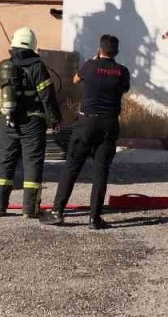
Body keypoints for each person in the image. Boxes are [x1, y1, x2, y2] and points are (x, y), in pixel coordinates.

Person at [41, 34, 130, 230]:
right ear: (116, 52)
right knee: (100, 172)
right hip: (109, 124)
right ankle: (95, 218)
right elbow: (123, 89)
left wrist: (94, 60)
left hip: (87, 122)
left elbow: (75, 79)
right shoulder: (122, 71)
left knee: (72, 167)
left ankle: (57, 212)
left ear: (100, 49)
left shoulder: (89, 66)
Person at [0, 27, 61, 218]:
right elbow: (47, 96)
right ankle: (30, 209)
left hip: (8, 120)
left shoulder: (4, 65)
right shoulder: (37, 67)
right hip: (32, 121)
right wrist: (55, 119)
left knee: (5, 160)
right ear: (33, 45)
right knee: (32, 162)